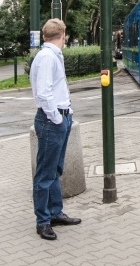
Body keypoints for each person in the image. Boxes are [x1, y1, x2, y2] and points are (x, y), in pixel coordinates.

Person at [30, 19, 81, 240]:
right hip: (52, 121)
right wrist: (57, 118)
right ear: (63, 35)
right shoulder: (47, 57)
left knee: (55, 170)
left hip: (60, 117)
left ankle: (55, 212)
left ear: (45, 36)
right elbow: (44, 93)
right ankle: (43, 221)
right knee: (45, 173)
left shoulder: (50, 55)